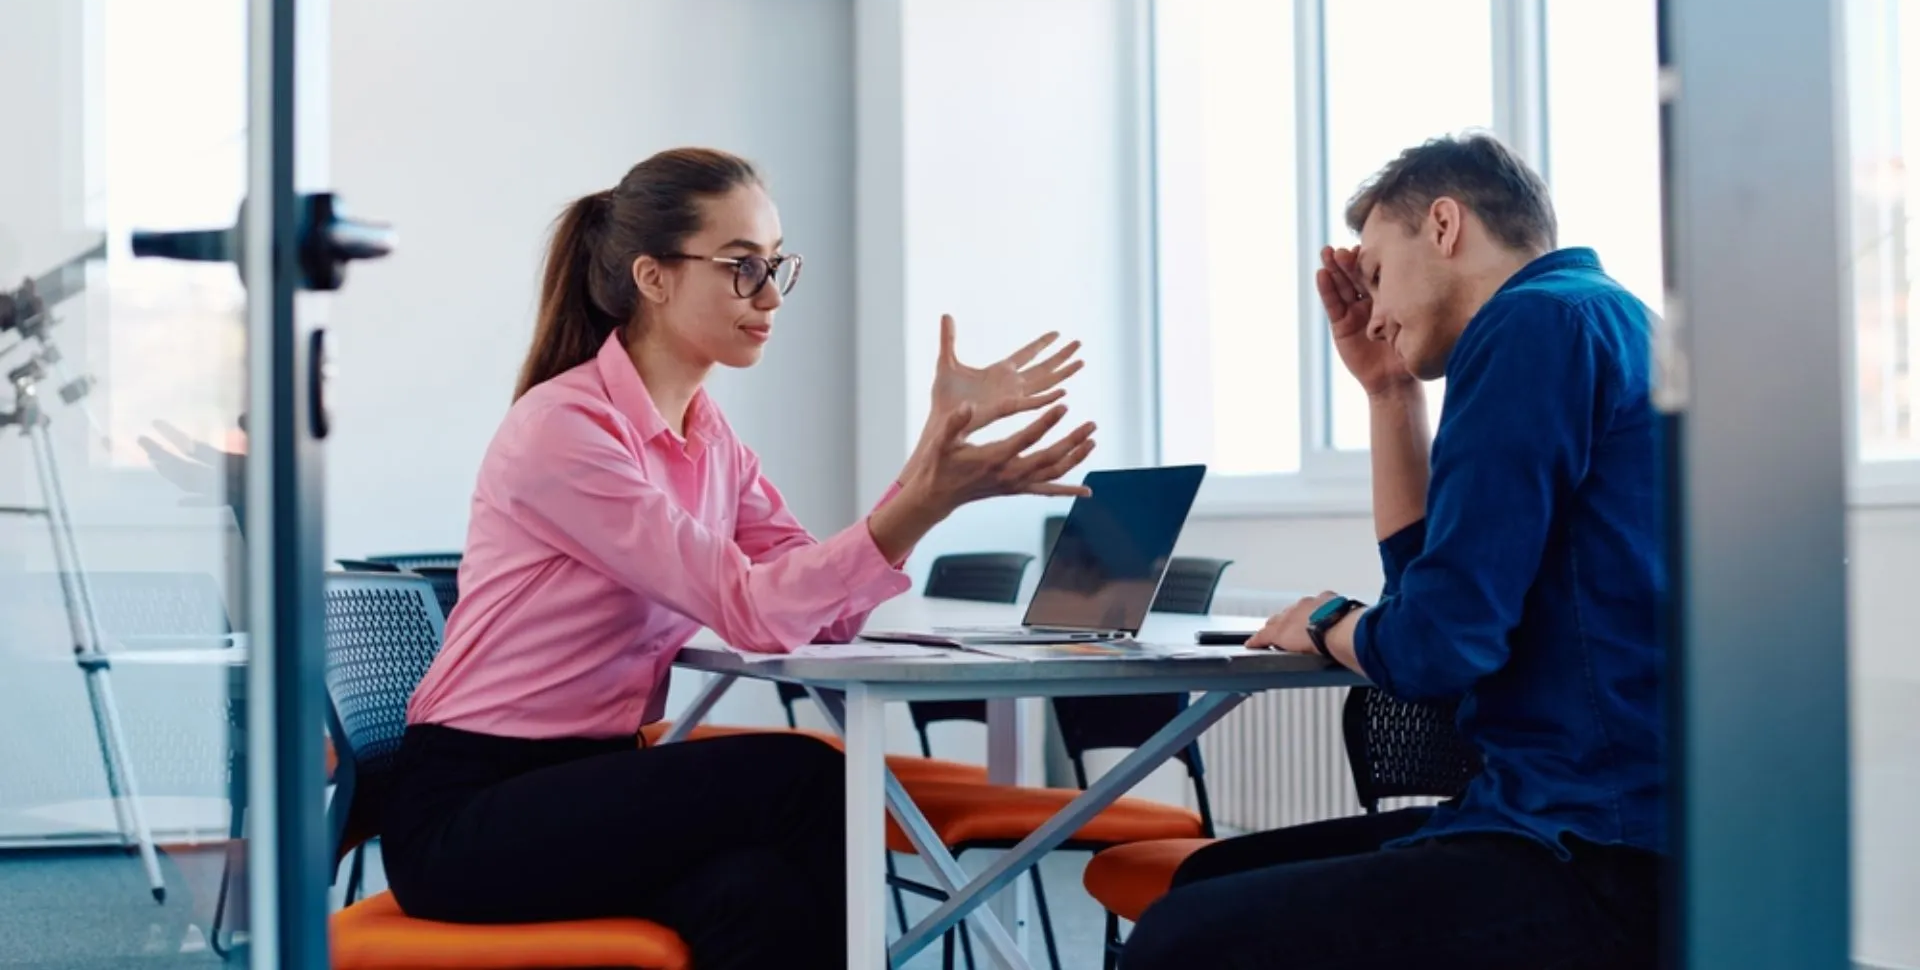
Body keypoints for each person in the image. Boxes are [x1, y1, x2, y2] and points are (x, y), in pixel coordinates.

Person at [379, 147, 1098, 967]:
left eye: (777, 266)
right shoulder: (566, 431)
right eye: (742, 267)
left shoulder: (709, 437)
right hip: (472, 810)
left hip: (584, 783)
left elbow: (825, 614)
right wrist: (925, 499)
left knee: (760, 895)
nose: (770, 296)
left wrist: (930, 462)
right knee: (804, 779)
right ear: (654, 278)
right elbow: (752, 610)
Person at [1123, 133, 1664, 970]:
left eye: (1376, 274)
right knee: (1205, 877)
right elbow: (1427, 608)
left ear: (1445, 225)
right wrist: (1388, 391)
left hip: (1591, 850)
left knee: (1182, 943)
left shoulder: (1533, 322)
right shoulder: (1605, 320)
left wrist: (1327, 621)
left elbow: (1438, 646)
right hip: (1578, 822)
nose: (1372, 314)